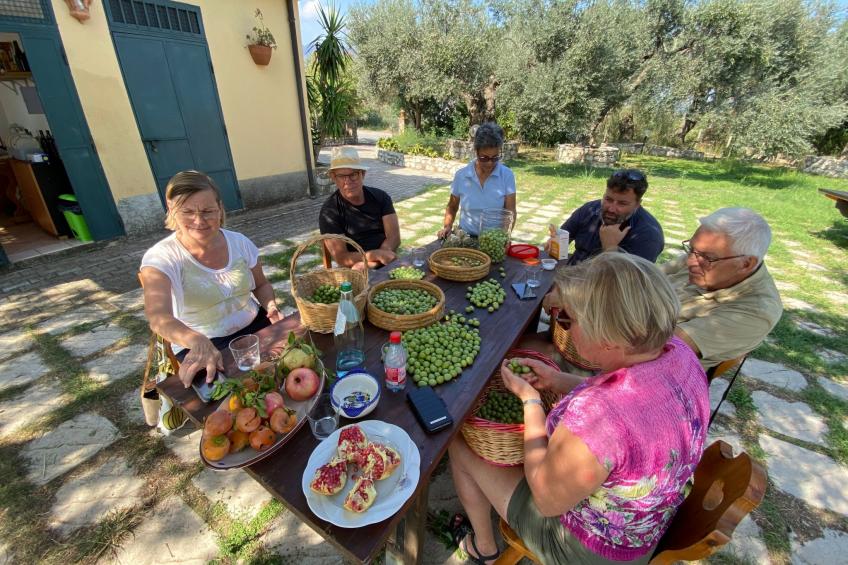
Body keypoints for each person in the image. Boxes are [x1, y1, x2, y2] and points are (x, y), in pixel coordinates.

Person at [449, 253, 709, 564]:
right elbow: (636, 403)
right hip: (647, 518)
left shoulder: (598, 414)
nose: (566, 328)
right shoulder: (681, 355)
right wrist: (559, 380)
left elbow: (546, 499)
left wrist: (531, 401)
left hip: (590, 550)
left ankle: (484, 548)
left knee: (458, 442)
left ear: (608, 338)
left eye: (568, 320)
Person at [140, 171, 283, 387]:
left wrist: (271, 306)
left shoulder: (239, 242)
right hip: (203, 344)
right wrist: (195, 340)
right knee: (230, 402)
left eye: (208, 211)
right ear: (171, 210)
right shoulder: (162, 257)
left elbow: (261, 285)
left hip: (256, 328)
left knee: (289, 373)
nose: (199, 221)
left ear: (220, 209)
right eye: (187, 212)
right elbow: (158, 317)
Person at [663, 207, 783, 370]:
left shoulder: (756, 312)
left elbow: (660, 348)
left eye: (707, 257)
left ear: (746, 264)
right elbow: (639, 276)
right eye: (691, 249)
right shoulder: (703, 257)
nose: (691, 261)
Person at [548, 169, 664, 265]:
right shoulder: (590, 209)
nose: (611, 209)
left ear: (637, 204)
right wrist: (555, 242)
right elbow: (564, 236)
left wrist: (610, 248)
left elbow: (630, 285)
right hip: (571, 276)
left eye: (622, 203)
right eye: (608, 199)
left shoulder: (648, 235)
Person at [319, 146, 400, 270]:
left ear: (362, 174)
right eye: (341, 176)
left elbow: (394, 237)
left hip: (385, 260)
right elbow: (342, 257)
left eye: (353, 174)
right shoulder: (329, 212)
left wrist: (381, 256)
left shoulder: (381, 197)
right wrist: (376, 256)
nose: (348, 181)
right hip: (354, 269)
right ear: (334, 178)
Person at [437, 123, 517, 238]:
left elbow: (510, 211)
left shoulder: (507, 175)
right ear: (476, 151)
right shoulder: (462, 176)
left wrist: (504, 237)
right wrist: (447, 227)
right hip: (465, 238)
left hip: (494, 239)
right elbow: (452, 206)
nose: (490, 163)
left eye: (495, 157)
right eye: (484, 158)